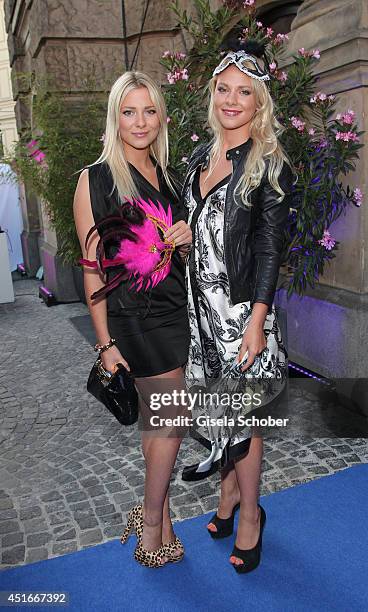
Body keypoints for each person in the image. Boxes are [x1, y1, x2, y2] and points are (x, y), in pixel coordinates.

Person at [182, 43, 294, 573]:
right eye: (223, 89)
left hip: (242, 316)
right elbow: (206, 228)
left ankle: (250, 514)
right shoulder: (202, 157)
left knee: (243, 419)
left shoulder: (267, 163)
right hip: (201, 313)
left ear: (259, 102)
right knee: (216, 413)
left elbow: (271, 248)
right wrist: (184, 234)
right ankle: (226, 498)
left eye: (243, 92)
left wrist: (256, 322)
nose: (232, 100)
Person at [73, 71, 192, 568]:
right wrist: (105, 344)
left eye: (148, 110)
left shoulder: (168, 177)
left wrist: (184, 239)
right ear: (115, 119)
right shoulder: (96, 178)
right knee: (172, 421)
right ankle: (149, 520)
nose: (139, 121)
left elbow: (180, 254)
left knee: (158, 424)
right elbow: (90, 268)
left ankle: (158, 519)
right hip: (134, 318)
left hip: (173, 308)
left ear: (160, 117)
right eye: (129, 111)